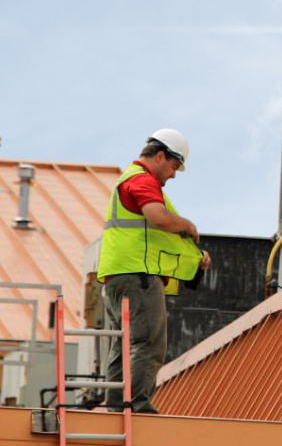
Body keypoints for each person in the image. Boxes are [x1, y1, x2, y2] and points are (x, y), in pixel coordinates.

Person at [97, 128, 211, 413]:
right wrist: (188, 225)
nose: (173, 175)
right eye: (174, 166)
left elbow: (156, 234)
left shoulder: (129, 180)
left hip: (118, 274)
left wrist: (194, 256)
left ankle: (115, 405)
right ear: (160, 156)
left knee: (124, 344)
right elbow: (158, 218)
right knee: (148, 342)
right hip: (138, 276)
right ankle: (135, 405)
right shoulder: (143, 181)